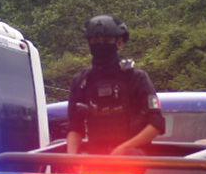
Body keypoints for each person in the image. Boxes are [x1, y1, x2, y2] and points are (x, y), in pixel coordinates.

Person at [64, 15, 165, 156]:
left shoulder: (136, 78)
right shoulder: (82, 81)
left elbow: (156, 124)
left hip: (132, 160)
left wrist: (124, 148)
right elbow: (75, 127)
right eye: (94, 40)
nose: (100, 44)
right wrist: (71, 158)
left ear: (120, 42)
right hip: (95, 160)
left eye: (106, 39)